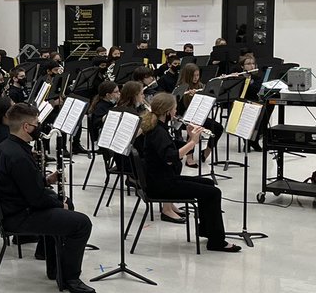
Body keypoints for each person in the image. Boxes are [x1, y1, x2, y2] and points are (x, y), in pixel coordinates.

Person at [0, 103, 94, 293]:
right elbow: (36, 200)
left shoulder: (6, 146)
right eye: (37, 123)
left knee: (67, 204)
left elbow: (23, 185)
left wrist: (46, 180)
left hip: (12, 208)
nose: (39, 127)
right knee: (82, 224)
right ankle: (70, 277)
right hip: (19, 216)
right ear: (26, 127)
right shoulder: (19, 156)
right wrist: (57, 203)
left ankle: (51, 262)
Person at [136, 93, 239, 251]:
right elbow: (171, 158)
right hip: (162, 185)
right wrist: (192, 142)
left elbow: (172, 146)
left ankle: (207, 231)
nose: (176, 110)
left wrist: (190, 137)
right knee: (213, 192)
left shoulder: (159, 127)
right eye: (175, 108)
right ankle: (216, 241)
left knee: (209, 183)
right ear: (167, 111)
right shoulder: (157, 131)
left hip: (163, 179)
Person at [87, 80, 119, 145]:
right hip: (102, 138)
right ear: (108, 95)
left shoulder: (111, 103)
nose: (119, 93)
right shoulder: (100, 107)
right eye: (116, 92)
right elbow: (98, 124)